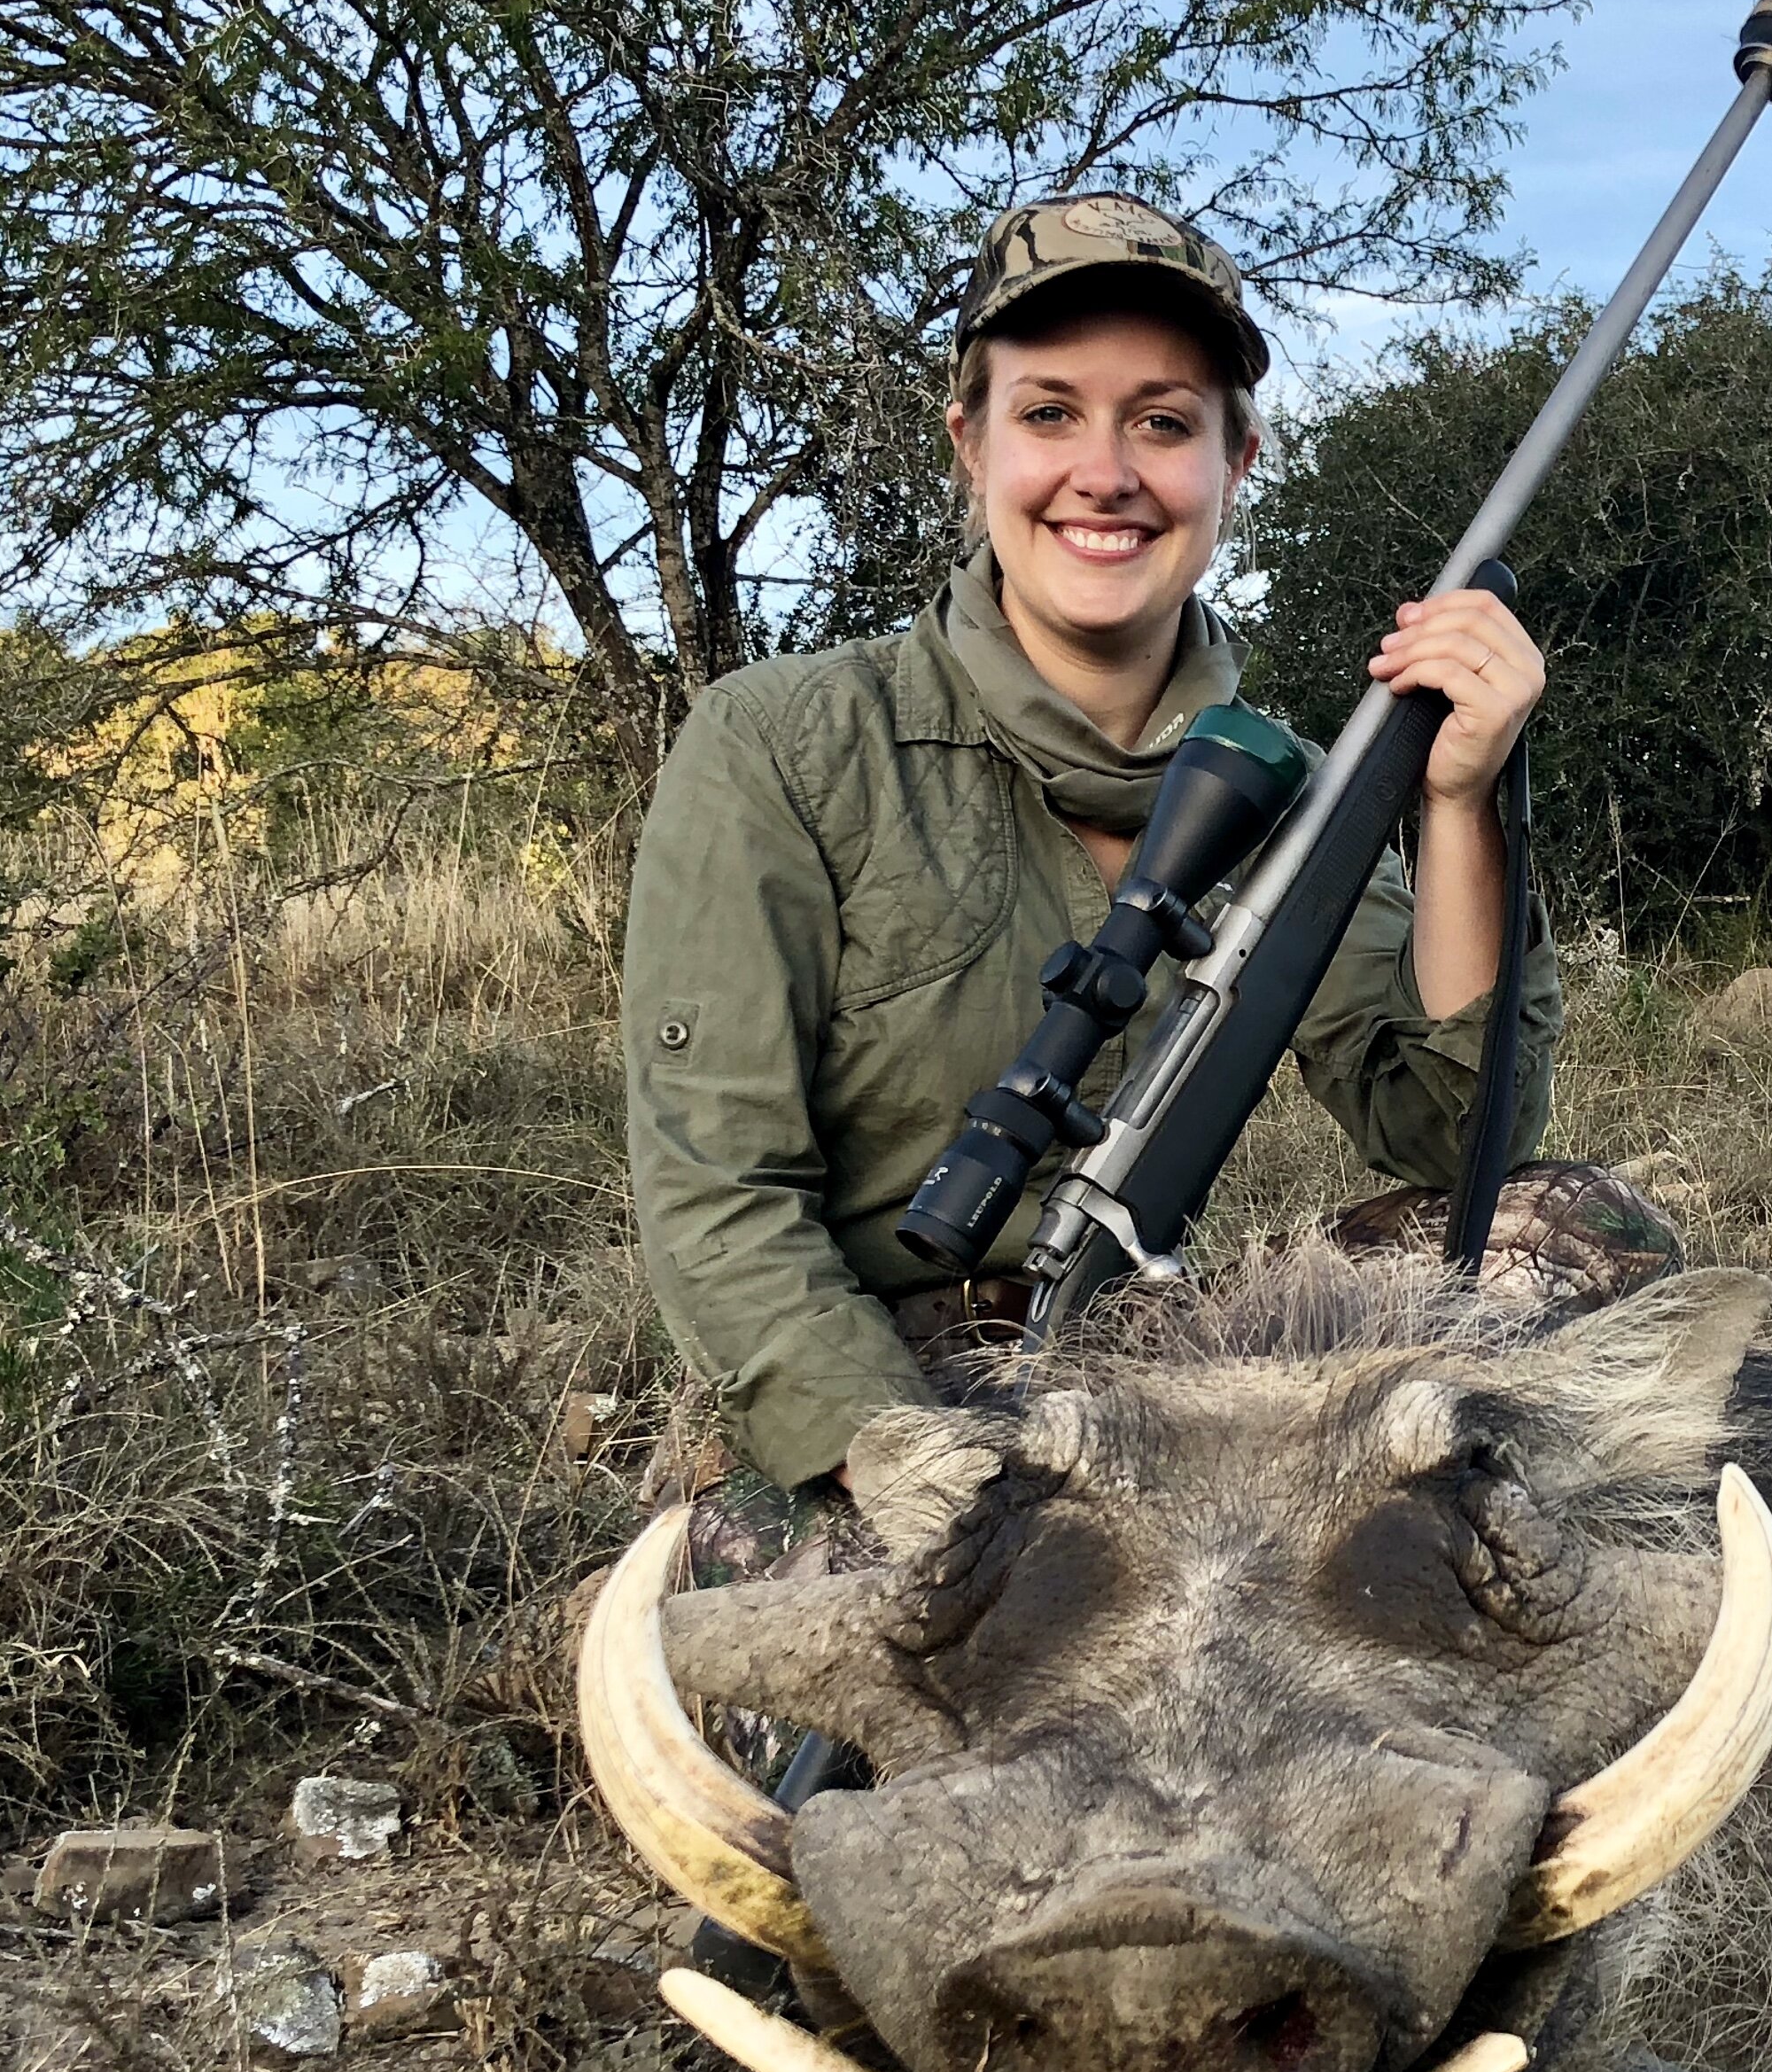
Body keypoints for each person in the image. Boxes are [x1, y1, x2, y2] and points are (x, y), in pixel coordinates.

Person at [621, 193, 1670, 1571]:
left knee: (1568, 1233)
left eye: (1165, 423)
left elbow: (1451, 1140)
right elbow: (721, 1196)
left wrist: (1460, 800)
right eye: (1049, 413)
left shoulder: (1303, 788)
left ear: (1237, 459)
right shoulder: (781, 740)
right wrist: (915, 1467)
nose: (1104, 472)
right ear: (971, 444)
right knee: (819, 1647)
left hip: (1148, 1347)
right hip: (876, 1377)